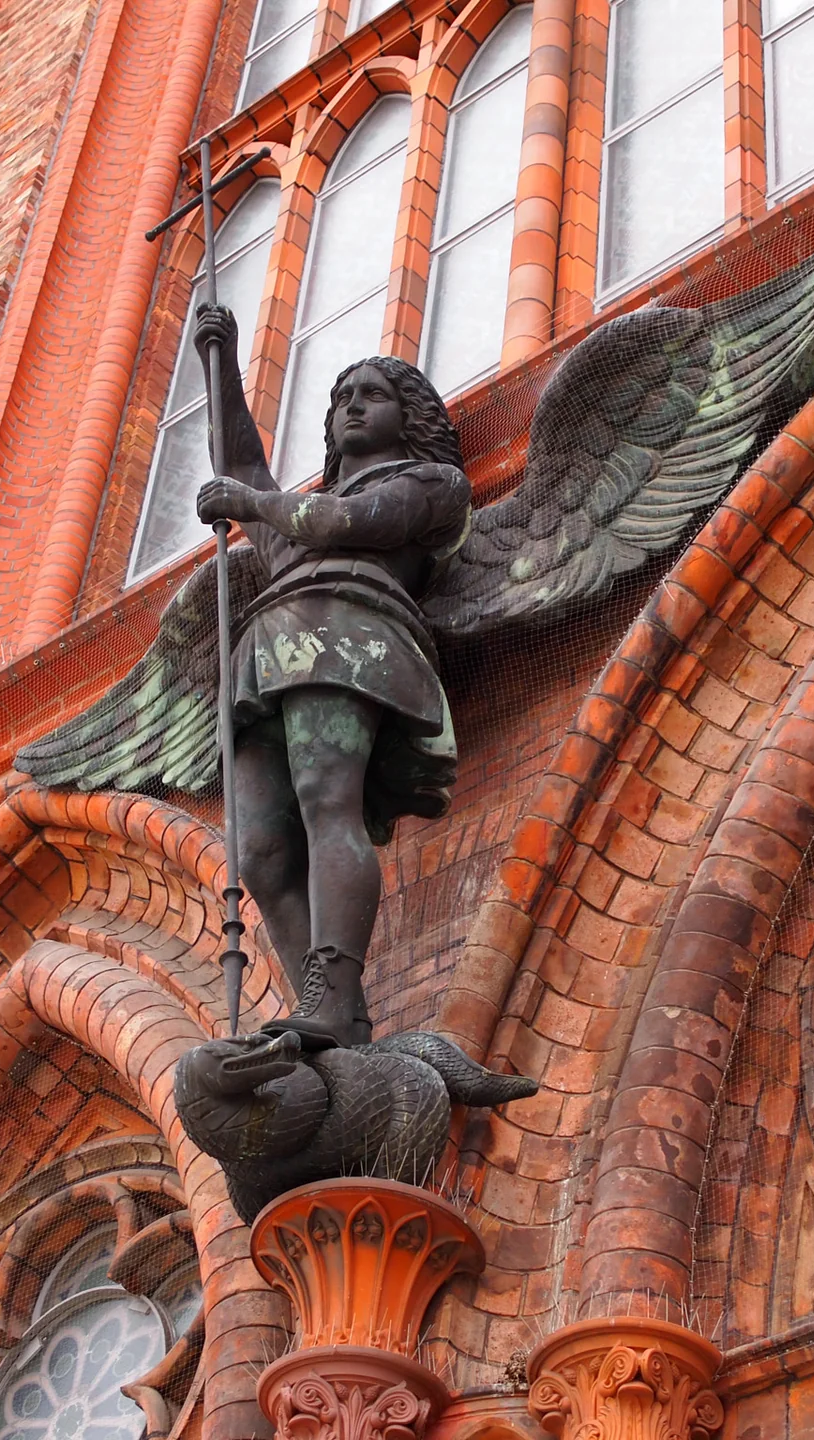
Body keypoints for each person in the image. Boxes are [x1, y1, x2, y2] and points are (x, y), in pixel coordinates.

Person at [189, 303, 471, 1050]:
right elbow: (240, 464)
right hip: (268, 649)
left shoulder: (430, 483)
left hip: (349, 630)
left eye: (372, 394)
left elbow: (350, 521)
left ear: (409, 415)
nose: (352, 405)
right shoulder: (289, 531)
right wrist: (220, 362)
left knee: (326, 799)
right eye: (343, 396)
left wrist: (253, 504)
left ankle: (333, 991)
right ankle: (332, 1015)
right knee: (259, 850)